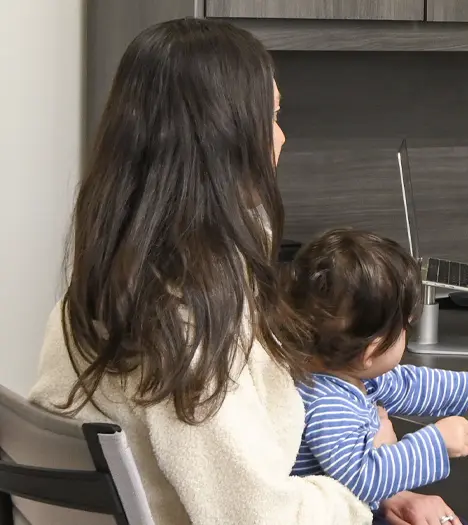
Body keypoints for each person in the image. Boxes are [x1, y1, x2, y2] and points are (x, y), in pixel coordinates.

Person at [26, 18, 375, 524]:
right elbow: (258, 517)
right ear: (223, 138)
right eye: (271, 117)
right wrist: (355, 503)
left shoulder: (93, 297)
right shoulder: (189, 322)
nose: (281, 139)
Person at [284, 227, 468, 525]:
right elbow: (363, 479)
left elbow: (407, 384)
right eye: (405, 327)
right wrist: (437, 442)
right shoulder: (327, 404)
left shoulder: (349, 371)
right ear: (371, 351)